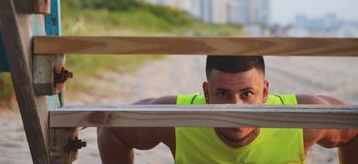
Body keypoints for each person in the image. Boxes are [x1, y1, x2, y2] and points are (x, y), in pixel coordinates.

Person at [97, 56, 358, 163]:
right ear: (207, 93)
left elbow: (353, 127)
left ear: (265, 92)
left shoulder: (302, 117)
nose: (236, 109)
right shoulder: (176, 117)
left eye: (247, 94)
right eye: (223, 94)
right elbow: (112, 129)